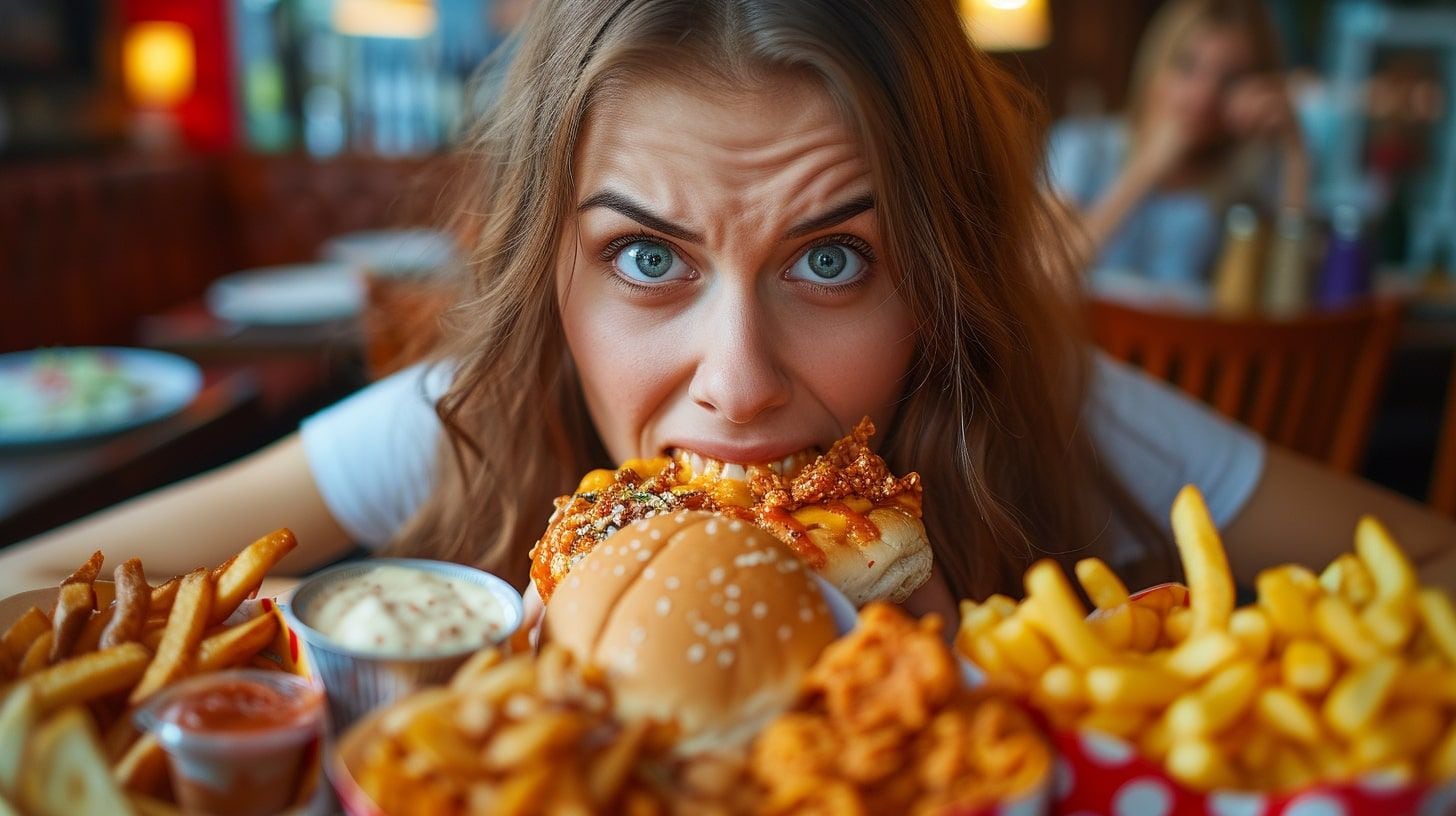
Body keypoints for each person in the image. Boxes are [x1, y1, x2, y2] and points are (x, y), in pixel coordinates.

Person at [2, 0, 1452, 616]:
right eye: (649, 260)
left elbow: (1428, 563)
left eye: (832, 260)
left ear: (938, 287)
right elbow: (37, 585)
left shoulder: (1051, 410)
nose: (740, 383)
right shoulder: (477, 422)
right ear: (548, 283)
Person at [1046, 0, 1311, 293]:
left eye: (1231, 79)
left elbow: (1286, 301)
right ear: (1157, 62)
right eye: (1187, 66)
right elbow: (1046, 273)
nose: (1203, 96)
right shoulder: (1081, 145)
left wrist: (1294, 153)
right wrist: (1148, 167)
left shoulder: (1248, 172)